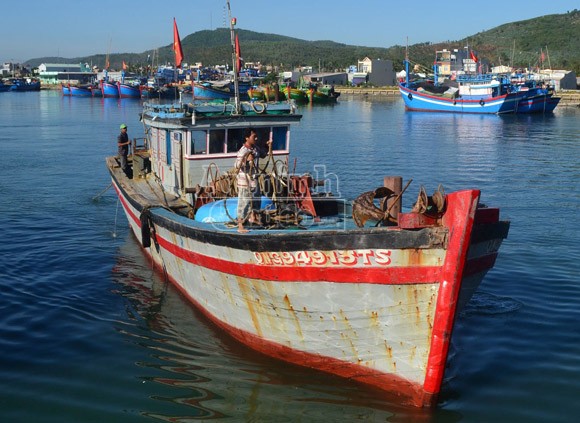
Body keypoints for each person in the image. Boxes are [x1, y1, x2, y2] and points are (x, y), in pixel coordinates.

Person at [235, 128, 272, 233]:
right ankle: (240, 226)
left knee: (256, 200)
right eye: (253, 137)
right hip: (245, 182)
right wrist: (245, 160)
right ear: (247, 138)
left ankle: (253, 218)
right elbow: (236, 165)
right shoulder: (243, 151)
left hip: (254, 180)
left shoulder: (255, 148)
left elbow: (263, 155)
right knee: (244, 202)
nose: (256, 138)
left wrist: (267, 146)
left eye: (256, 136)